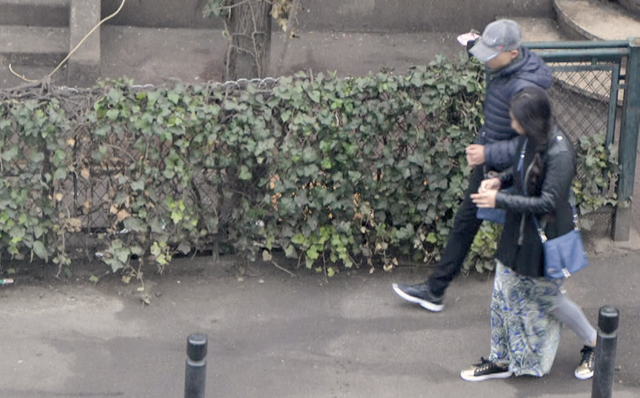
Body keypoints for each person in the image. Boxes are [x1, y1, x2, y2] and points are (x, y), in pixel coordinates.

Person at [392, 19, 553, 312]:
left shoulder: (525, 87)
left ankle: (536, 306)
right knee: (466, 222)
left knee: (514, 238)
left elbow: (532, 145)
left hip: (514, 173)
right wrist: (472, 43)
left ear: (513, 54)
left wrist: (487, 152)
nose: (486, 59)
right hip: (491, 165)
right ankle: (435, 290)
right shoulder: (502, 65)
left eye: (492, 53)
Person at [460, 86, 597, 381]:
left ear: (532, 121)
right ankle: (500, 360)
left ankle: (594, 341)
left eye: (516, 121)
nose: (512, 125)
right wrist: (499, 180)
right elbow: (519, 168)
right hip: (519, 232)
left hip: (544, 239)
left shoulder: (560, 152)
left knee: (549, 299)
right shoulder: (530, 137)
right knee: (501, 293)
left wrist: (499, 200)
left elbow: (547, 202)